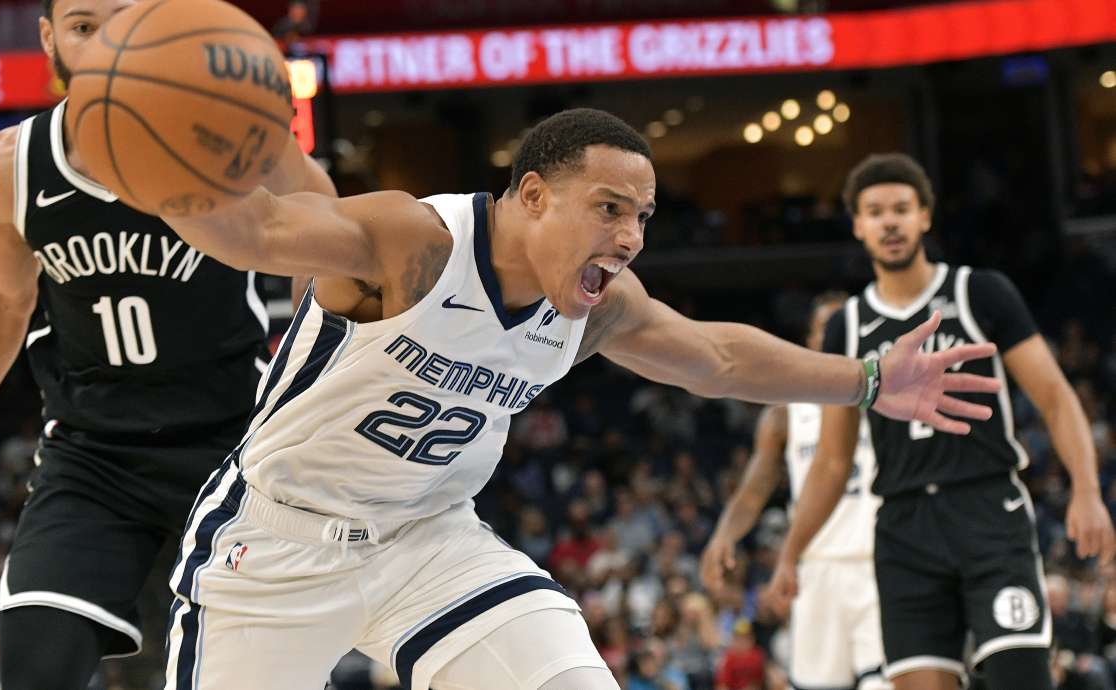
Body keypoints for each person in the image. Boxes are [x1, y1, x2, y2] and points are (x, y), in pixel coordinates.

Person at [155, 109, 999, 690]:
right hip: (276, 545)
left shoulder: (594, 308)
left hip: (429, 543)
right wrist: (132, 144)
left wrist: (873, 379)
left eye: (643, 216)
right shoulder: (413, 243)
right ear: (532, 196)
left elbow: (717, 357)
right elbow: (255, 230)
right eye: (609, 208)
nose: (630, 237)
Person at [0, 2, 335, 689]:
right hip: (93, 452)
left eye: (125, 23)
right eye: (83, 27)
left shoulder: (225, 136)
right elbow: (2, 299)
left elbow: (323, 222)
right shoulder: (11, 164)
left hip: (233, 442)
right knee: (35, 662)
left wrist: (308, 378)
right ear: (51, 42)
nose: (106, 48)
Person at [770, 153, 1116, 690]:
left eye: (902, 209)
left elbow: (1054, 396)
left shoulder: (981, 293)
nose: (890, 221)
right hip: (904, 530)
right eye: (876, 211)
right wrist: (792, 553)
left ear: (925, 217)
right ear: (858, 225)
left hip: (987, 512)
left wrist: (1087, 490)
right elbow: (834, 460)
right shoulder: (848, 325)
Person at [702, 292, 889, 690]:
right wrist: (724, 535)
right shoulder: (785, 413)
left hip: (880, 561)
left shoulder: (889, 402)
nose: (840, 335)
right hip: (813, 565)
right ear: (811, 341)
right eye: (829, 327)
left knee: (882, 682)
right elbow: (753, 492)